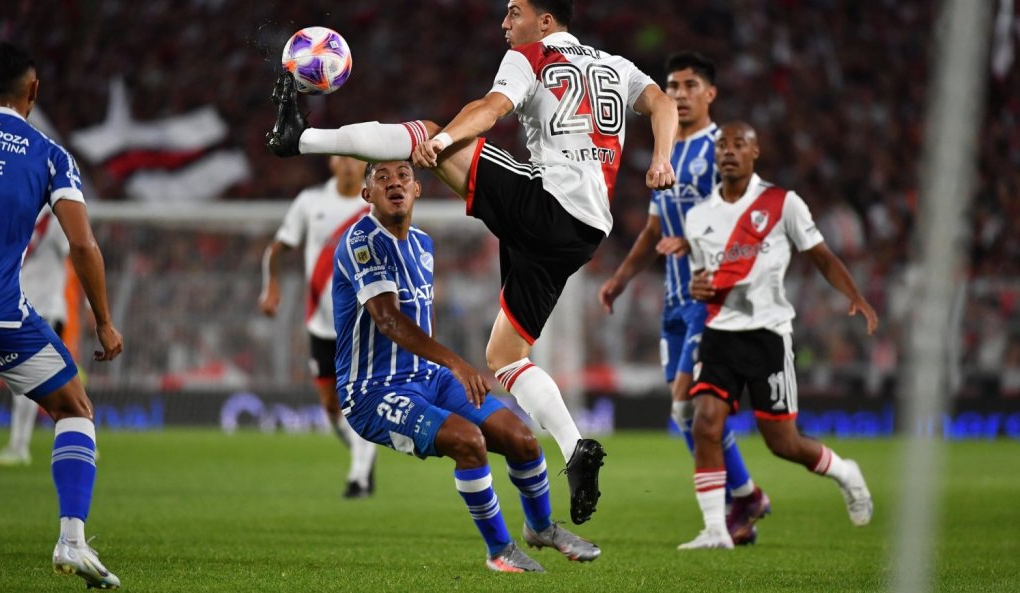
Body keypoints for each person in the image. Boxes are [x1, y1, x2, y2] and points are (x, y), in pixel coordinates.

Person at [266, 0, 679, 525]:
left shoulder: (532, 56)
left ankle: (299, 138)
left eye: (514, 12)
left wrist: (441, 141)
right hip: (586, 230)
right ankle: (575, 448)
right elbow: (662, 104)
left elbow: (490, 108)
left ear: (545, 22)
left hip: (548, 202)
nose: (505, 23)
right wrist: (661, 158)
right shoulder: (616, 66)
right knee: (505, 355)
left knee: (425, 130)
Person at [333, 160, 600, 571]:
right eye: (382, 178)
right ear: (367, 194)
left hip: (429, 378)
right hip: (373, 392)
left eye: (403, 175)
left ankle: (541, 527)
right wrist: (457, 363)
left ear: (417, 189)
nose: (394, 183)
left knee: (522, 439)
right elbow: (388, 321)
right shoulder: (361, 242)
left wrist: (444, 370)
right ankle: (500, 551)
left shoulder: (422, 243)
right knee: (468, 441)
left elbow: (422, 317)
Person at [597, 52, 769, 545]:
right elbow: (655, 229)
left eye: (690, 85)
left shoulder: (722, 150)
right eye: (671, 86)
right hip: (675, 300)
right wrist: (621, 279)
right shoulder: (667, 149)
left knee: (685, 408)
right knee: (688, 414)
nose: (678, 94)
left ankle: (730, 511)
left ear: (710, 93)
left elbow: (748, 222)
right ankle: (745, 496)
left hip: (712, 295)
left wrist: (694, 242)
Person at [679, 121, 877, 549]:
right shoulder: (698, 216)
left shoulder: (782, 203)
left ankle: (846, 472)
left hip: (767, 336)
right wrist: (697, 287)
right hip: (719, 334)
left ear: (755, 152)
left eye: (739, 144)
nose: (729, 151)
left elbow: (821, 256)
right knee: (705, 423)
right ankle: (715, 530)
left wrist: (855, 296)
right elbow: (703, 279)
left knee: (783, 443)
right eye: (723, 145)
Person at [0, 42, 124, 588]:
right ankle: (72, 539)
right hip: (4, 318)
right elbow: (84, 244)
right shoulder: (49, 155)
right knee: (74, 407)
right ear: (33, 90)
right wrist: (104, 320)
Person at [259, 155, 379, 498]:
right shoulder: (310, 201)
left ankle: (359, 476)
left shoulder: (375, 203)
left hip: (362, 321)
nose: (348, 164)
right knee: (331, 406)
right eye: (342, 157)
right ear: (331, 163)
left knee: (360, 401)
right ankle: (363, 455)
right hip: (321, 323)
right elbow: (277, 248)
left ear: (364, 165)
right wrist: (271, 286)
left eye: (355, 158)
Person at [0, 206, 70, 467]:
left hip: (45, 309)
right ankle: (81, 439)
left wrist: (88, 305)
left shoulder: (57, 215)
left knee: (33, 381)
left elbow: (77, 249)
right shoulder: (20, 212)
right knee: (53, 381)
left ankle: (19, 447)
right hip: (18, 308)